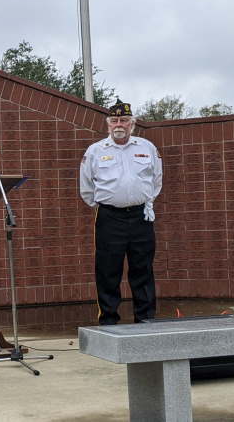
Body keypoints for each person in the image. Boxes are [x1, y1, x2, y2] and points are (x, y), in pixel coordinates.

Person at [80, 99, 163, 325]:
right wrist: (106, 205)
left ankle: (145, 320)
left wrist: (144, 201)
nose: (119, 124)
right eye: (114, 120)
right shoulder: (95, 151)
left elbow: (156, 181)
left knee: (142, 269)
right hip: (109, 218)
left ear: (132, 124)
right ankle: (108, 321)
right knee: (108, 271)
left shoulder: (147, 148)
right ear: (107, 124)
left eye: (124, 120)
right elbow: (86, 188)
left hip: (140, 217)